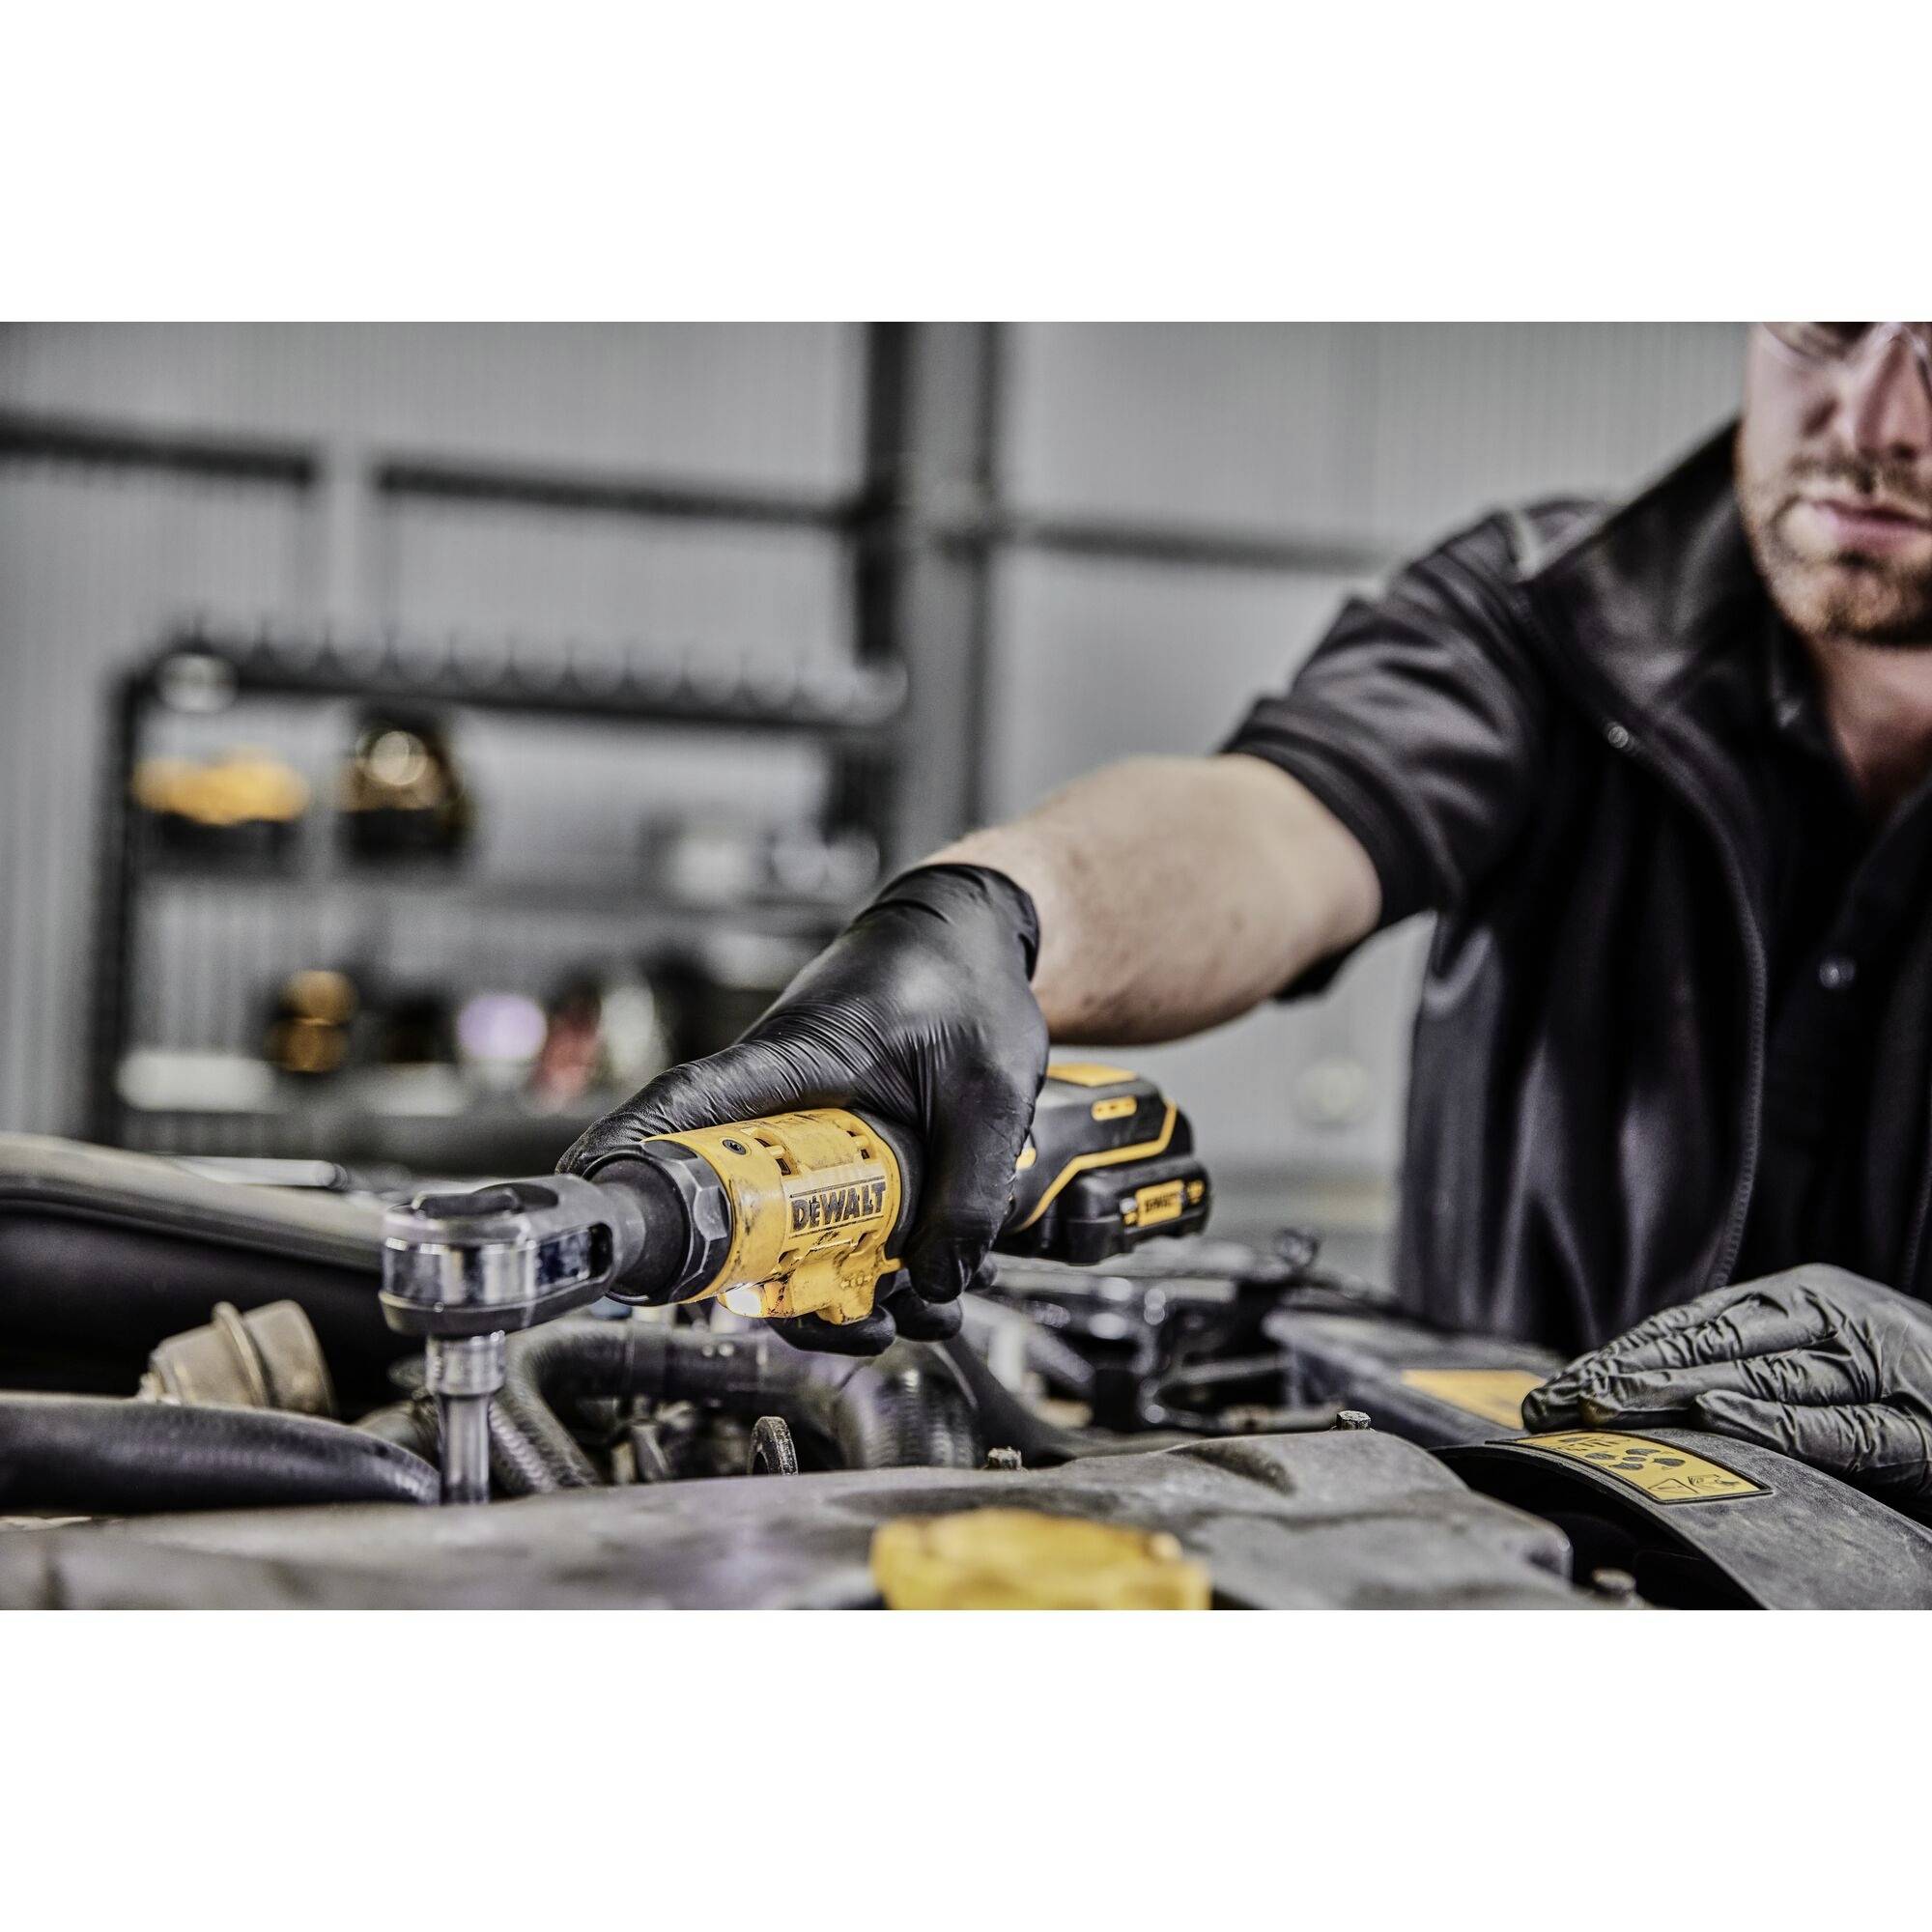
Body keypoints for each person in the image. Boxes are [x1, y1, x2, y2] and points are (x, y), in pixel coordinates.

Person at [566, 323, 1932, 1509]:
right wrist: (998, 913)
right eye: (1827, 322)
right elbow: (1274, 825)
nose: (1872, 423)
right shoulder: (1555, 618)